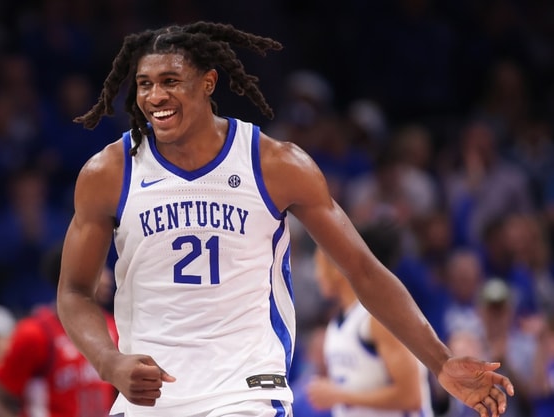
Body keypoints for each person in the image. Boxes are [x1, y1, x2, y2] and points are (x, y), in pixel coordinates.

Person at [54, 21, 515, 417]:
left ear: (208, 82)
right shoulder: (109, 172)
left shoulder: (274, 164)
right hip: (147, 398)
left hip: (246, 392)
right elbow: (74, 292)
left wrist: (440, 361)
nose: (155, 96)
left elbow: (362, 270)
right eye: (144, 83)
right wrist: (108, 362)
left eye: (170, 80)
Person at [306, 224, 433, 416]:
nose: (317, 275)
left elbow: (411, 397)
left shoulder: (378, 318)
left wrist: (341, 396)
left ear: (339, 265)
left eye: (319, 265)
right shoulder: (337, 324)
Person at [0, 242, 117, 417]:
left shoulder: (113, 328)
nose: (108, 277)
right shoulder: (34, 333)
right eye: (100, 269)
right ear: (71, 276)